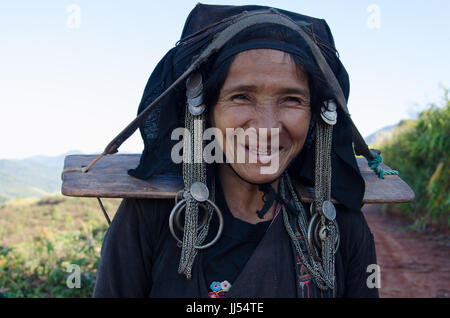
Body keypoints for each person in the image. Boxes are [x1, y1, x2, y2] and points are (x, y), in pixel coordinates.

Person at [93, 4, 379, 298]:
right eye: (241, 96)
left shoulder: (340, 226)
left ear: (317, 114)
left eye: (292, 99)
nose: (266, 127)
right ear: (204, 108)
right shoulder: (149, 215)